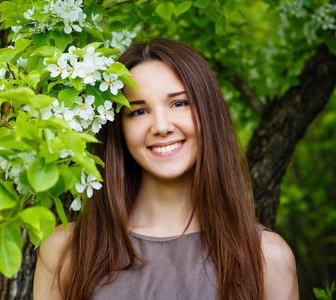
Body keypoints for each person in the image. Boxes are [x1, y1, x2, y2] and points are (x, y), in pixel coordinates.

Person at [33, 38, 299, 300]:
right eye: (138, 111)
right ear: (118, 128)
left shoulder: (268, 257)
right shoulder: (66, 251)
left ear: (208, 113)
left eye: (179, 103)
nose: (161, 126)